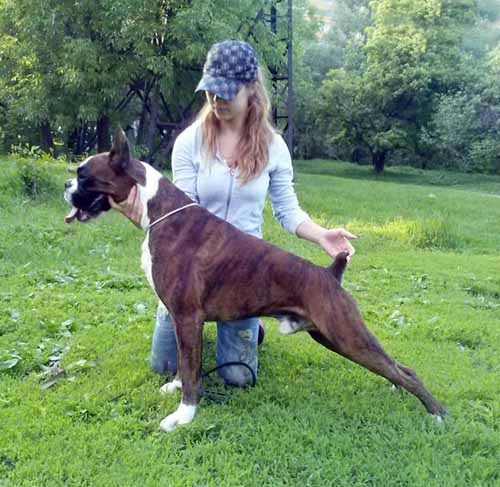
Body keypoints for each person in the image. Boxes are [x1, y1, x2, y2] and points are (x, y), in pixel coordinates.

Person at [111, 40, 356, 388]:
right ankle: (203, 316)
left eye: (226, 92)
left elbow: (286, 209)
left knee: (237, 377)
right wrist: (141, 216)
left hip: (246, 270)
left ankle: (252, 319)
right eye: (210, 90)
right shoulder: (190, 141)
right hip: (191, 264)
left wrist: (321, 235)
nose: (216, 100)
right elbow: (182, 209)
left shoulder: (274, 147)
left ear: (251, 88)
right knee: (163, 365)